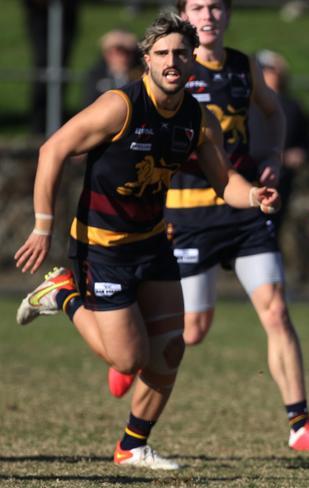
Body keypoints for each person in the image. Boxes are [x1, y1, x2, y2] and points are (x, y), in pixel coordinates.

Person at [14, 11, 278, 470]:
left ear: (192, 59)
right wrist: (42, 225)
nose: (172, 61)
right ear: (147, 61)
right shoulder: (121, 105)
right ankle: (63, 294)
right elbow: (51, 149)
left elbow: (225, 182)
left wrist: (254, 195)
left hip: (154, 243)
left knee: (171, 347)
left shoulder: (199, 119)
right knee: (127, 359)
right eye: (162, 54)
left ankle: (132, 446)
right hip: (102, 246)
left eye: (180, 52)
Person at [108, 0, 309, 452]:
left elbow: (274, 112)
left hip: (244, 208)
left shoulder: (241, 66)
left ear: (228, 15)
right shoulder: (168, 69)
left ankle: (300, 423)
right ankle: (126, 346)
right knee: (191, 331)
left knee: (275, 309)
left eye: (216, 7)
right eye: (198, 7)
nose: (208, 15)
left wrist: (271, 156)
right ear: (183, 16)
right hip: (188, 215)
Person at [250, 48, 309, 232]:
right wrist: (280, 157)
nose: (269, 74)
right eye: (264, 70)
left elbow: (306, 141)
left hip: (283, 181)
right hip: (253, 182)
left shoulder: (292, 106)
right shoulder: (248, 106)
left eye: (271, 69)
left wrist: (301, 153)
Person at [23, 0, 79, 135]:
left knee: (59, 68)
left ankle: (55, 119)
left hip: (65, 11)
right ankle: (40, 123)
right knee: (44, 67)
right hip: (41, 12)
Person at [84, 29, 143, 105]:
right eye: (114, 53)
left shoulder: (141, 76)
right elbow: (88, 104)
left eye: (126, 53)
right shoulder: (95, 76)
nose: (121, 57)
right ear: (106, 54)